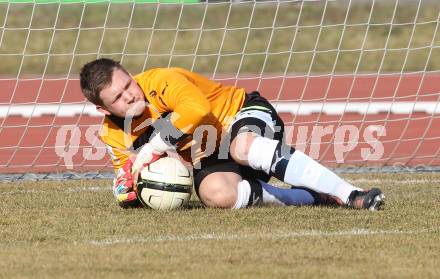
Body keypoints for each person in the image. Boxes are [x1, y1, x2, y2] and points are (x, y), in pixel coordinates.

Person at [79, 58, 385, 210]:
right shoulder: (113, 134)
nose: (131, 96)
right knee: (217, 195)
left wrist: (156, 144)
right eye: (118, 98)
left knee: (242, 146)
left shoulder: (162, 81)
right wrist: (135, 185)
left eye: (129, 84)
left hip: (244, 114)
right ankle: (312, 196)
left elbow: (197, 109)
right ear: (104, 110)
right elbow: (125, 181)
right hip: (213, 151)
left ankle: (350, 194)